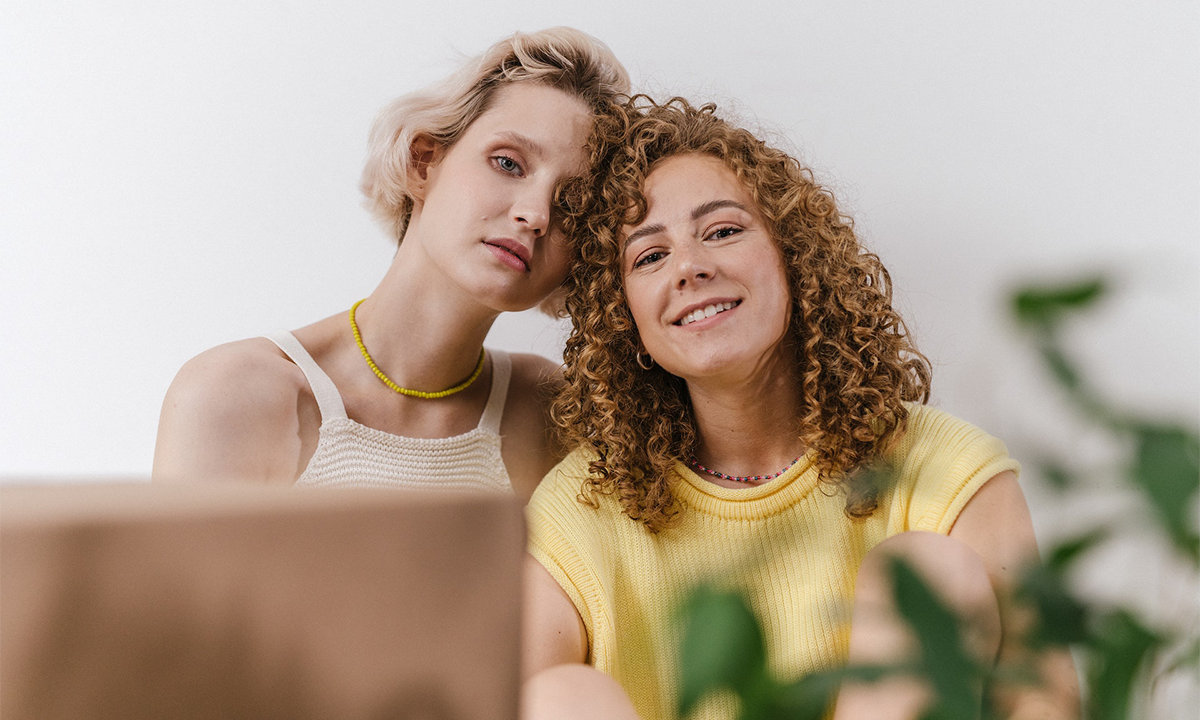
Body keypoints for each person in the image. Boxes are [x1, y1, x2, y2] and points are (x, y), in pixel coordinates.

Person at [521, 98, 1078, 719]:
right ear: (624, 318)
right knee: (555, 693)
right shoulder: (583, 506)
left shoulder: (946, 472)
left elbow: (1043, 703)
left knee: (930, 569)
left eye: (723, 231)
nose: (691, 268)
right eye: (649, 257)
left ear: (796, 256)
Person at [153, 28, 629, 500]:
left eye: (574, 202)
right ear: (423, 162)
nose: (537, 214)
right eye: (508, 163)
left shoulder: (553, 411)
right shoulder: (236, 393)